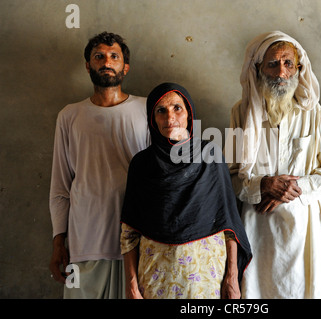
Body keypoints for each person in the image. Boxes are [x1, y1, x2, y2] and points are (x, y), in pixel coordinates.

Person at [225, 31, 321, 298]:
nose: (281, 72)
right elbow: (231, 178)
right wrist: (264, 185)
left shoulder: (313, 113)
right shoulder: (240, 113)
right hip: (258, 232)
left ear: (298, 68)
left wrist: (293, 188)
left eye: (288, 63)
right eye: (273, 63)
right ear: (258, 69)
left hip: (306, 233)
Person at [120, 82, 252, 299]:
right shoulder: (141, 165)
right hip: (155, 278)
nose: (169, 117)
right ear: (152, 119)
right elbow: (129, 232)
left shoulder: (210, 155)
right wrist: (132, 286)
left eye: (177, 108)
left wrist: (232, 277)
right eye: (161, 110)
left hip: (206, 278)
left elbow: (228, 221)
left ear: (189, 113)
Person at [48, 32, 150, 298]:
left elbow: (160, 178)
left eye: (114, 56)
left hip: (136, 242)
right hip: (84, 242)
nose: (106, 62)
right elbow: (61, 187)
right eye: (99, 57)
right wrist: (59, 240)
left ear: (125, 67)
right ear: (88, 65)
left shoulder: (149, 110)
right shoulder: (70, 115)